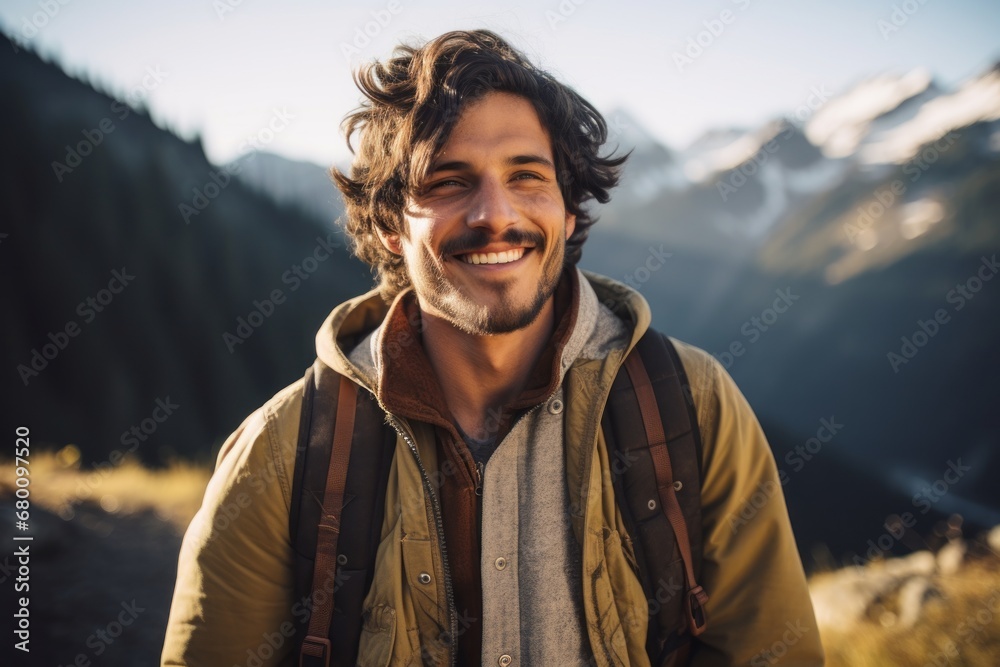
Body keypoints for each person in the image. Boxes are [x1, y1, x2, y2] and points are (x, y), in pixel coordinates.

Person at [161, 29, 824, 667]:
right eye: (449, 181)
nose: (494, 214)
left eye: (527, 176)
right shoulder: (284, 449)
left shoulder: (693, 405)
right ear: (393, 226)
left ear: (567, 209)